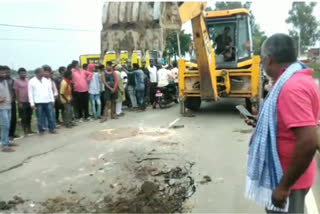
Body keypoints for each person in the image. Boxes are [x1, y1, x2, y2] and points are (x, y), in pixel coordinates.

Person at [244, 34, 319, 214]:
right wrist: (261, 124)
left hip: (288, 181)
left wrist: (284, 187)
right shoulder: (297, 78)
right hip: (290, 177)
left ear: (269, 60)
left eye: (262, 60)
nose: (262, 64)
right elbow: (289, 123)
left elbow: (309, 141)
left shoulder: (291, 88)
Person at [28, 68, 56, 135]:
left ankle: (52, 129)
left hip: (48, 101)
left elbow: (50, 91)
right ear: (37, 73)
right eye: (42, 72)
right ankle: (41, 130)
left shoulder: (46, 80)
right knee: (40, 117)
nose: (43, 73)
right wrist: (32, 103)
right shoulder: (31, 81)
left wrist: (52, 100)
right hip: (38, 102)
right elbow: (30, 93)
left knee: (51, 116)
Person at [0, 66, 17, 152]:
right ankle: (4, 145)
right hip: (2, 107)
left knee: (8, 125)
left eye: (4, 73)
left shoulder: (5, 82)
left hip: (8, 106)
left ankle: (7, 141)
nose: (4, 74)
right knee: (5, 125)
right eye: (2, 73)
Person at [13, 67, 34, 136]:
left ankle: (29, 129)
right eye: (21, 73)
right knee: (23, 117)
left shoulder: (28, 80)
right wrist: (19, 102)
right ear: (18, 74)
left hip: (29, 101)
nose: (23, 74)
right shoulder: (16, 81)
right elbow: (16, 93)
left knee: (29, 116)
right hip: (22, 102)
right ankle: (25, 131)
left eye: (24, 73)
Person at [4, 66, 19, 140]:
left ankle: (11, 134)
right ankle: (5, 137)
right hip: (3, 103)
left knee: (13, 118)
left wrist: (13, 98)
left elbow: (14, 90)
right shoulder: (2, 81)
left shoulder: (12, 80)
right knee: (5, 121)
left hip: (12, 101)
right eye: (6, 72)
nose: (8, 73)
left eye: (9, 72)